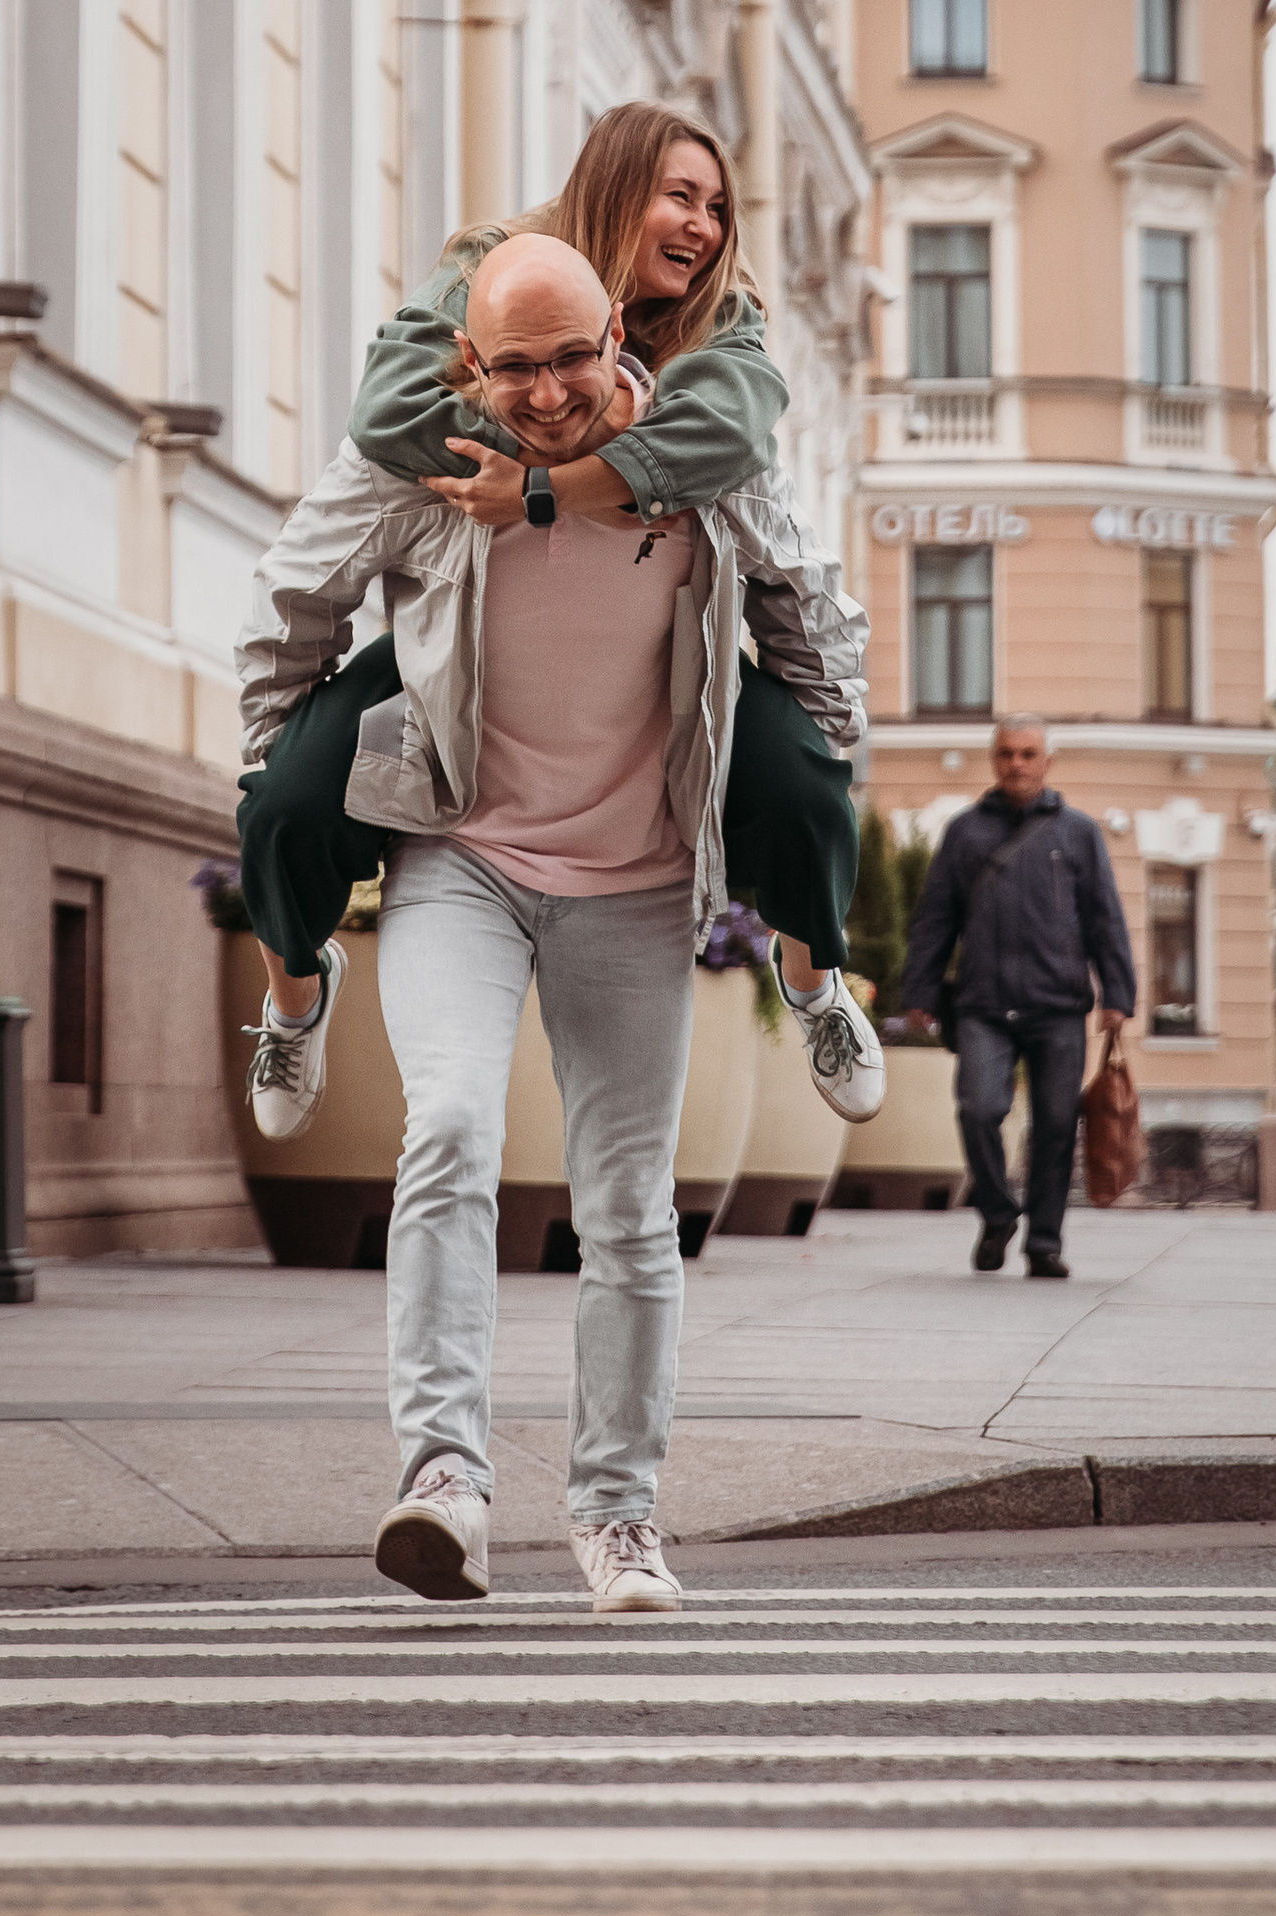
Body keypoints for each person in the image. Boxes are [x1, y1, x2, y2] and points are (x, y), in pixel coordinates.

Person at [236, 233, 869, 1615]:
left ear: (618, 340)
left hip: (637, 878)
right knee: (452, 1129)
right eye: (513, 367)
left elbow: (816, 610)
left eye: (572, 357)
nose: (545, 392)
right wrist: (279, 761)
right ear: (471, 362)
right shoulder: (430, 467)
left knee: (631, 1210)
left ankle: (619, 1516)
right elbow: (291, 604)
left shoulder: (702, 469)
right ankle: (444, 1480)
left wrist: (828, 756)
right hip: (463, 858)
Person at [235, 102, 879, 1145]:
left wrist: (544, 487)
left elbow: (729, 437)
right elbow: (391, 413)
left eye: (717, 205)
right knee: (282, 812)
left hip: (668, 669)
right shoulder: (490, 267)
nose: (703, 227)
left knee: (810, 796)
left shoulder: (728, 320)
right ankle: (293, 1001)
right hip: (456, 655)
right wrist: (517, 416)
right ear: (617, 190)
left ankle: (814, 980)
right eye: (680, 197)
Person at [899, 716, 1136, 1279]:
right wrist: (921, 990)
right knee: (978, 1110)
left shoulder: (1078, 832)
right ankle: (999, 1211)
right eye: (1006, 754)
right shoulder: (964, 832)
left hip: (1058, 1006)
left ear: (1048, 762)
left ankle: (1045, 1242)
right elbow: (935, 918)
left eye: (1029, 754)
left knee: (1056, 1126)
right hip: (983, 1005)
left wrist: (1118, 994)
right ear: (993, 760)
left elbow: (1105, 918)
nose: (1017, 764)